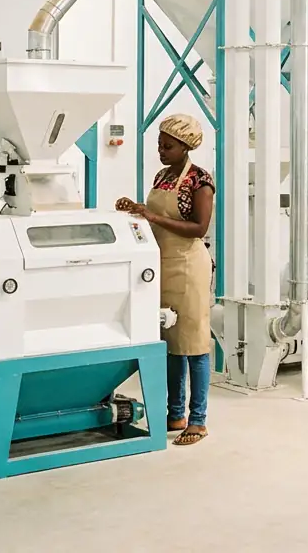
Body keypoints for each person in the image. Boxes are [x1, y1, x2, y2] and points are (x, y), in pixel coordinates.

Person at [116, 114, 214, 446]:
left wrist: (153, 215)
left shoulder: (200, 181)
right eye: (159, 144)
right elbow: (157, 218)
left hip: (189, 267)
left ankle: (198, 420)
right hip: (162, 265)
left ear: (185, 146)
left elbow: (199, 228)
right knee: (171, 343)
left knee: (194, 345)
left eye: (167, 146)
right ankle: (175, 414)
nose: (161, 151)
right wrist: (137, 209)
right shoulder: (163, 176)